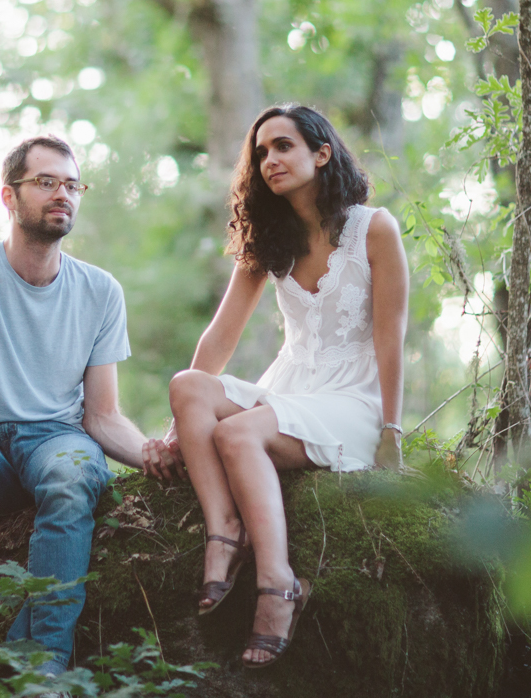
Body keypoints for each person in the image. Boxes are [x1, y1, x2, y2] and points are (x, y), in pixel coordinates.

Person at [141, 104, 410, 669]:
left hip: (350, 399)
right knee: (188, 385)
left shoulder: (374, 228)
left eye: (283, 146)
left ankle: (278, 585)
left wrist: (391, 429)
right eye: (261, 152)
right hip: (291, 387)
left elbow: (390, 338)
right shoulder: (270, 237)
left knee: (238, 435)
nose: (270, 160)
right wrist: (175, 428)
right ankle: (225, 530)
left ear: (321, 152)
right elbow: (219, 339)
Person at [0, 135, 166, 677]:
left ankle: (38, 669)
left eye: (71, 184)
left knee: (71, 474)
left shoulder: (101, 291)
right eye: (46, 182)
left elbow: (103, 416)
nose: (61, 193)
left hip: (58, 442)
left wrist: (156, 455)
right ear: (8, 196)